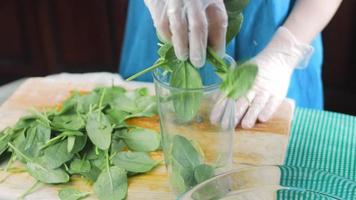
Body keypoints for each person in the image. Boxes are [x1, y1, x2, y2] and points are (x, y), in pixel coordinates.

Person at [120, 0, 343, 128]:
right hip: (169, 11)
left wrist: (285, 52)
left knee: (277, 145)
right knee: (150, 128)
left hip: (283, 26)